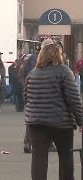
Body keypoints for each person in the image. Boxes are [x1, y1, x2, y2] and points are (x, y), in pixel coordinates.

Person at [24, 40, 83, 180]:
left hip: (36, 122)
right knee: (65, 156)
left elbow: (26, 97)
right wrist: (81, 121)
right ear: (59, 55)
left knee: (38, 157)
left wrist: (32, 113)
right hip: (61, 122)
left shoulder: (33, 73)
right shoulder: (64, 71)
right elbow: (73, 99)